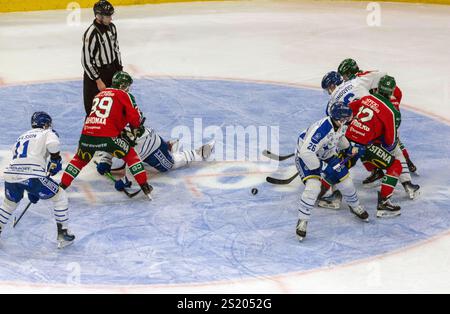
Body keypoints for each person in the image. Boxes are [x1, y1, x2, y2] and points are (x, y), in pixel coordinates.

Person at [60, 71, 153, 199]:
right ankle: (145, 186)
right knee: (131, 156)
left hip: (86, 135)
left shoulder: (99, 95)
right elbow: (134, 118)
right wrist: (135, 127)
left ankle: (62, 186)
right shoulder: (124, 95)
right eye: (127, 86)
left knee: (79, 160)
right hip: (108, 137)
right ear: (123, 86)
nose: (128, 89)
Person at [295, 102, 369, 242]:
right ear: (339, 118)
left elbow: (339, 137)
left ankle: (355, 206)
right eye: (346, 118)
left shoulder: (339, 124)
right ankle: (302, 220)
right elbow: (306, 152)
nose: (348, 119)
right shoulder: (322, 130)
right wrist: (322, 168)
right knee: (313, 187)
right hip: (306, 157)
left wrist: (348, 148)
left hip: (326, 153)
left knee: (346, 181)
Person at [0, 112, 74, 249]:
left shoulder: (22, 136)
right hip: (32, 175)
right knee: (60, 196)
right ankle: (63, 234)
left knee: (9, 204)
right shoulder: (47, 132)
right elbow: (53, 144)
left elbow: (22, 156)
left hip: (11, 174)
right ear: (45, 124)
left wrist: (33, 189)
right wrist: (56, 159)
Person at [82, 0, 123, 115]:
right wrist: (98, 80)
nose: (111, 19)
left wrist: (119, 70)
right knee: (93, 110)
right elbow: (86, 61)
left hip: (112, 70)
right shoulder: (91, 34)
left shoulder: (112, 27)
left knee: (114, 106)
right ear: (99, 16)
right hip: (96, 75)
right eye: (108, 16)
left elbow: (116, 50)